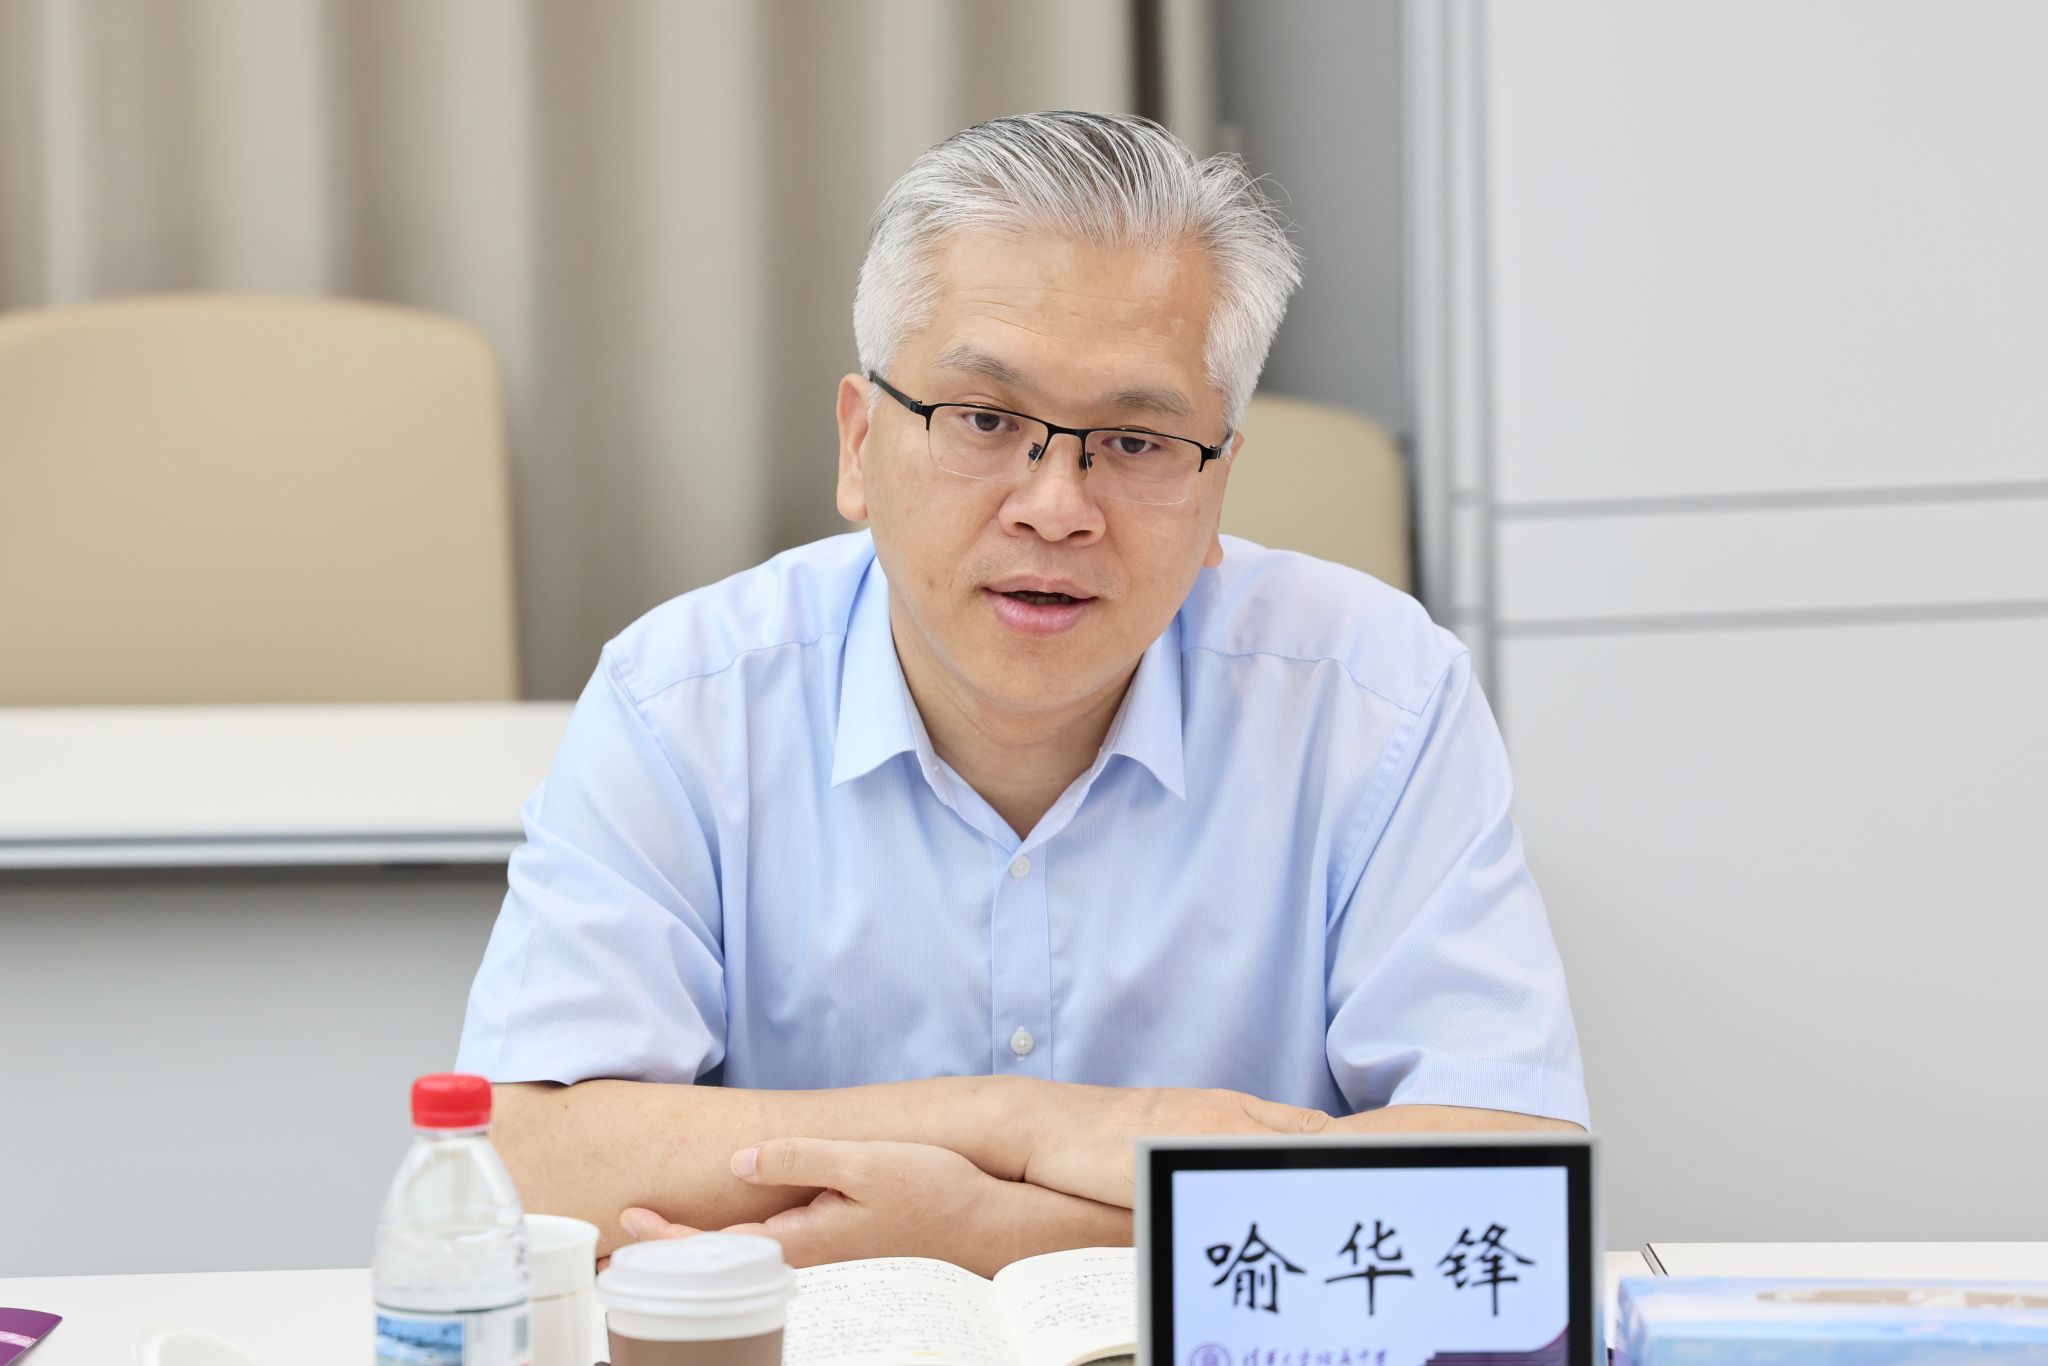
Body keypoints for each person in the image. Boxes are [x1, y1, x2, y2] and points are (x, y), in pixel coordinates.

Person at [455, 111, 1587, 1275]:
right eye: (985, 420)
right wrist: (1016, 1119)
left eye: (1136, 441)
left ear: (1216, 488)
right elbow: (521, 1167)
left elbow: (1512, 1193)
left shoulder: (1373, 699)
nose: (1054, 507)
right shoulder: (684, 701)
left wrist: (998, 1226)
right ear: (857, 443)